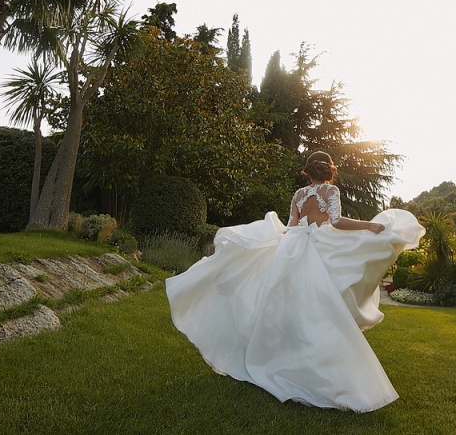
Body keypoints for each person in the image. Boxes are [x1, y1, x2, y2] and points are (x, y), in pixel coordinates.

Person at [165, 151, 425, 412]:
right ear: (329, 170)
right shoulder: (331, 191)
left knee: (288, 303)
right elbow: (336, 222)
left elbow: (291, 226)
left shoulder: (299, 194)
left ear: (307, 171)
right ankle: (317, 364)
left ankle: (285, 356)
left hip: (293, 246)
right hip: (319, 246)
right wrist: (369, 226)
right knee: (322, 306)